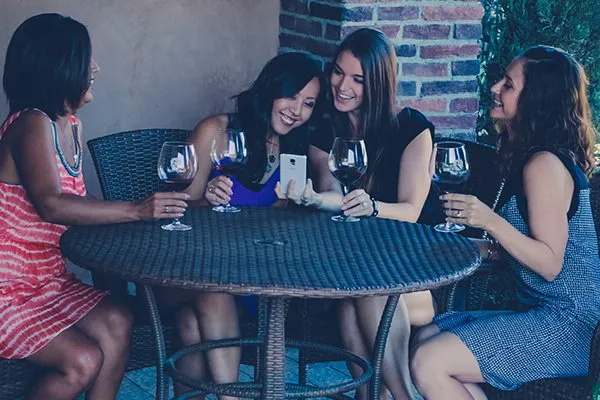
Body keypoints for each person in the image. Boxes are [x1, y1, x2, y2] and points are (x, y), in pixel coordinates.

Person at [0, 13, 190, 400]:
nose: (96, 67)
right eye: (88, 59)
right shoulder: (31, 123)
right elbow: (53, 205)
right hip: (8, 291)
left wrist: (138, 219)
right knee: (82, 360)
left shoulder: (70, 124)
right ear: (60, 66)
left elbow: (79, 202)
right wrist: (136, 210)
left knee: (118, 320)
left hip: (48, 282)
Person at [410, 46, 600, 400]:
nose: (495, 87)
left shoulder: (544, 165)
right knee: (424, 339)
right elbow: (518, 246)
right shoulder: (528, 156)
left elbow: (549, 263)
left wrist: (489, 220)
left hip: (570, 325)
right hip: (540, 312)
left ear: (535, 101)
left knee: (429, 361)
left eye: (508, 85)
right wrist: (464, 247)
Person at [278, 28, 435, 400]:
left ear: (378, 83)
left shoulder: (412, 128)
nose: (341, 85)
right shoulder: (326, 130)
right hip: (352, 268)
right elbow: (332, 191)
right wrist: (315, 199)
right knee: (351, 304)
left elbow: (411, 211)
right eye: (337, 72)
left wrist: (373, 207)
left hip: (414, 273)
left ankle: (402, 395)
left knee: (366, 289)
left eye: (357, 79)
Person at [163, 52, 324, 400]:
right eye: (292, 95)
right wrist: (206, 199)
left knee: (191, 325)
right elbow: (175, 211)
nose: (297, 110)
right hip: (190, 271)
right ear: (270, 89)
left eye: (308, 103)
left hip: (254, 281)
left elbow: (292, 226)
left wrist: (299, 204)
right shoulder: (215, 131)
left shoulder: (295, 151)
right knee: (212, 287)